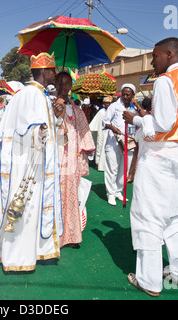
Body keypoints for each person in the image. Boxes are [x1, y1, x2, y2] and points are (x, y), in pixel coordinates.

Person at [122, 37, 178, 297]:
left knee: (148, 218)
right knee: (175, 219)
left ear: (169, 54)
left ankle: (149, 280)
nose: (152, 61)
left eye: (155, 56)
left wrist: (137, 119)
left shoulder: (165, 81)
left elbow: (162, 124)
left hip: (159, 160)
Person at [0, 52, 64, 272]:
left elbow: (46, 128)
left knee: (33, 209)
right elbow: (23, 130)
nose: (55, 74)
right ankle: (16, 257)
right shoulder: (29, 93)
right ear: (44, 71)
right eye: (53, 70)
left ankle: (35, 250)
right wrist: (40, 130)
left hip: (37, 161)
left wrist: (56, 117)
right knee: (25, 207)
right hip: (26, 163)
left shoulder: (42, 95)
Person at [55, 72, 95, 248]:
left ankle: (70, 235)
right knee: (55, 195)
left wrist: (82, 151)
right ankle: (54, 236)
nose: (64, 87)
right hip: (55, 157)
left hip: (72, 159)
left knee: (72, 197)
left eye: (67, 83)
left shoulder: (76, 108)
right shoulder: (50, 105)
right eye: (60, 83)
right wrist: (58, 114)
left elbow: (83, 130)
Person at [102, 84, 137, 206]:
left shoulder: (134, 108)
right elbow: (105, 121)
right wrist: (112, 127)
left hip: (130, 141)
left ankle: (118, 190)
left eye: (128, 94)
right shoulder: (114, 106)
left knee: (124, 169)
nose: (125, 97)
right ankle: (110, 193)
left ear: (133, 95)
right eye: (124, 94)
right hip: (113, 142)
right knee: (113, 168)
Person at [89, 96, 112, 171]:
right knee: (100, 147)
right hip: (102, 133)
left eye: (109, 103)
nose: (108, 104)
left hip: (110, 134)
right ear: (104, 104)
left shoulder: (112, 112)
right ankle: (99, 164)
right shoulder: (101, 112)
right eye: (106, 103)